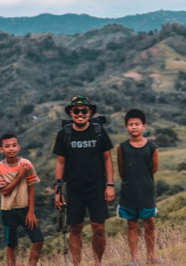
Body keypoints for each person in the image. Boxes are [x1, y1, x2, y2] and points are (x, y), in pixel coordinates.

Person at [53, 96, 115, 266]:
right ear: (71, 113)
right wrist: (58, 191)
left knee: (99, 228)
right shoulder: (64, 134)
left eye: (84, 110)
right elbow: (60, 162)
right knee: (75, 228)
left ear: (90, 112)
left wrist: (110, 185)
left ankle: (98, 262)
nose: (80, 114)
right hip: (74, 188)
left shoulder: (99, 131)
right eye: (76, 111)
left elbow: (108, 159)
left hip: (97, 187)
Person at [117, 109, 161, 266]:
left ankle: (151, 256)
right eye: (130, 124)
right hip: (129, 192)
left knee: (149, 222)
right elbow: (122, 171)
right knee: (132, 224)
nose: (134, 127)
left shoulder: (151, 148)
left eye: (137, 124)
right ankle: (134, 258)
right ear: (126, 127)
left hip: (146, 191)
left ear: (144, 126)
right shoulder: (122, 148)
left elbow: (153, 169)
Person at [0, 133, 43, 266]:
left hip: (26, 209)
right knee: (11, 244)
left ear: (19, 147)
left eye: (14, 145)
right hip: (8, 210)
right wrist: (20, 175)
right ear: (1, 149)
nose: (11, 149)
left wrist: (31, 211)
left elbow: (31, 188)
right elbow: (5, 191)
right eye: (7, 146)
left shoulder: (26, 164)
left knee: (38, 240)